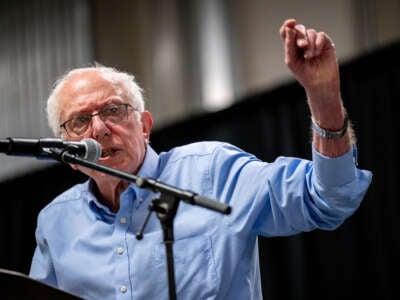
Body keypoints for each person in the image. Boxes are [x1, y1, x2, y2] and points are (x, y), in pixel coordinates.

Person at [29, 19, 372, 300]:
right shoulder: (56, 223)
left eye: (113, 111)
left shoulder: (213, 172)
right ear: (67, 153)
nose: (100, 129)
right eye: (80, 122)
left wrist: (323, 96)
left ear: (145, 126)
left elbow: (328, 197)